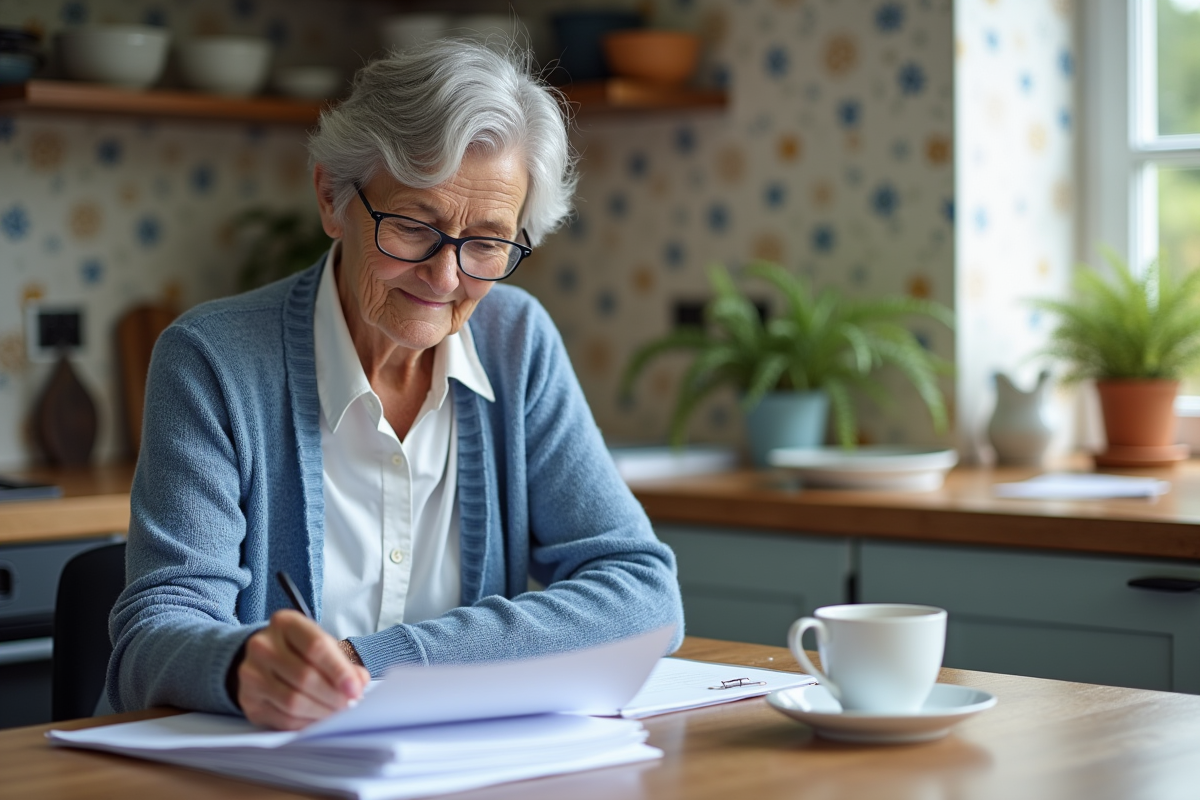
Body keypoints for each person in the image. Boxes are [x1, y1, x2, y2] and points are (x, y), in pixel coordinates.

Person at [106, 39, 684, 731]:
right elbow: (151, 637)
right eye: (413, 226)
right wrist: (240, 666)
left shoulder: (517, 343)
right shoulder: (212, 361)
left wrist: (371, 661)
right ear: (331, 198)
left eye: (487, 242)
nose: (445, 279)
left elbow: (645, 595)